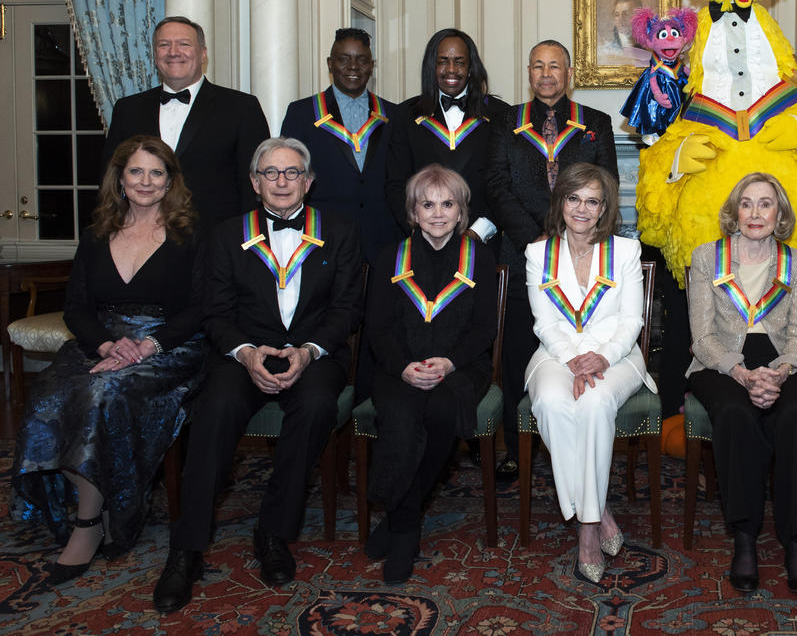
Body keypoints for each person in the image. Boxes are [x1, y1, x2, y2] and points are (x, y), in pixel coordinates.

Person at [152, 137, 363, 613]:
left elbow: (348, 308)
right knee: (215, 408)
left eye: (292, 173)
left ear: (309, 181)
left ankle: (274, 531)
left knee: (314, 406)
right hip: (244, 353)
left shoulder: (342, 232)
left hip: (314, 354)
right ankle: (186, 549)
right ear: (254, 182)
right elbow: (215, 311)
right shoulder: (227, 235)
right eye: (271, 173)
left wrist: (308, 353)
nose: (282, 181)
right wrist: (247, 355)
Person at [14, 136, 207, 583]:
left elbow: (201, 309)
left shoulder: (191, 235)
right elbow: (76, 308)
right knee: (51, 395)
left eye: (156, 173)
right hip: (100, 342)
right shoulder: (98, 232)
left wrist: (146, 345)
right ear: (120, 178)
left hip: (169, 347)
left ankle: (89, 524)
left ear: (170, 181)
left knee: (104, 392)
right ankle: (91, 509)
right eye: (136, 171)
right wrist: (105, 345)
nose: (146, 181)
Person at [487, 39, 618, 480]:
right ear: (529, 72)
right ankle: (515, 448)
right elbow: (497, 186)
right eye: (538, 66)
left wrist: (567, 238)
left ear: (569, 74)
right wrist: (538, 239)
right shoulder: (506, 122)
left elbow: (607, 186)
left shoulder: (594, 123)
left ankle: (582, 443)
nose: (546, 74)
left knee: (580, 346)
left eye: (555, 66)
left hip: (582, 255)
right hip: (521, 254)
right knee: (516, 352)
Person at [363, 164, 497, 583]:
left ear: (461, 213)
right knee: (400, 415)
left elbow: (484, 328)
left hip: (460, 366)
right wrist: (404, 368)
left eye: (447, 204)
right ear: (413, 212)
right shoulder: (390, 257)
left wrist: (449, 362)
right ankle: (407, 528)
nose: (437, 213)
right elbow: (378, 327)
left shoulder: (482, 258)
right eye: (427, 204)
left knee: (441, 412)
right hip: (397, 366)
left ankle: (399, 516)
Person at [686, 173, 797, 595]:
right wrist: (741, 372)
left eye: (766, 204)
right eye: (747, 203)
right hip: (721, 362)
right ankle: (744, 538)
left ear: (779, 213)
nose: (756, 213)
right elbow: (701, 337)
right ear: (734, 211)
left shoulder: (794, 261)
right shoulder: (708, 257)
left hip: (783, 361)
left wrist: (779, 371)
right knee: (735, 414)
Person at [525, 163, 655, 584]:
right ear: (561, 202)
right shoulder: (536, 253)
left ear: (604, 209)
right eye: (573, 198)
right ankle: (599, 512)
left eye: (592, 201)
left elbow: (632, 320)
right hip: (555, 353)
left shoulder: (627, 251)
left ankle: (585, 529)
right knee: (550, 401)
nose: (582, 208)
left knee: (596, 401)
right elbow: (544, 324)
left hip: (617, 356)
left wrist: (601, 357)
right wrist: (572, 359)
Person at [104, 16, 269, 231]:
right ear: (155, 55)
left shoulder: (241, 108)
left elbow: (255, 185)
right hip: (142, 239)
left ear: (203, 54)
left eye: (184, 44)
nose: (173, 52)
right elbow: (111, 178)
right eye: (164, 45)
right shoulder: (127, 109)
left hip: (215, 240)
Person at [280, 27, 401, 262]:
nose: (353, 67)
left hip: (383, 241)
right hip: (322, 239)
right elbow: (289, 178)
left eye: (361, 60)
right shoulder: (302, 113)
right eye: (344, 59)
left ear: (372, 65)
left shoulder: (394, 114)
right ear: (330, 63)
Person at [384, 29, 509, 253]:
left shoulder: (501, 115)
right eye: (443, 61)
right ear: (431, 67)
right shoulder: (405, 115)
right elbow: (395, 184)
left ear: (471, 68)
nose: (451, 69)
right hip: (422, 244)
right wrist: (422, 230)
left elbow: (506, 185)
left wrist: (477, 232)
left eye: (459, 62)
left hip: (483, 245)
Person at [599, 0, 648, 65]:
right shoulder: (608, 51)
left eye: (626, 14)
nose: (620, 19)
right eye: (617, 15)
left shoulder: (653, 47)